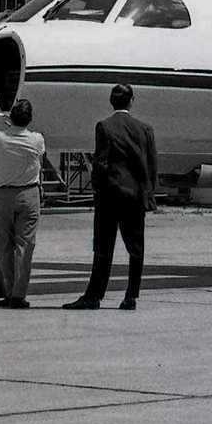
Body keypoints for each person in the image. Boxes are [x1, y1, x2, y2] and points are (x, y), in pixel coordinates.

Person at [66, 83, 157, 311]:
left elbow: (101, 162)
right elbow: (152, 164)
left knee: (103, 248)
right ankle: (131, 296)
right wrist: (148, 192)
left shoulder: (104, 127)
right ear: (131, 101)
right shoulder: (145, 129)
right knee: (136, 249)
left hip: (110, 196)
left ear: (111, 102)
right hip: (135, 196)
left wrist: (97, 189)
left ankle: (94, 295)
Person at [0, 97, 47, 309]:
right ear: (29, 119)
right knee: (25, 247)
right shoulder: (37, 140)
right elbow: (37, 152)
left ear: (11, 118)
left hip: (3, 197)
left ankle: (8, 290)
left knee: (4, 247)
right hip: (29, 195)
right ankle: (18, 296)